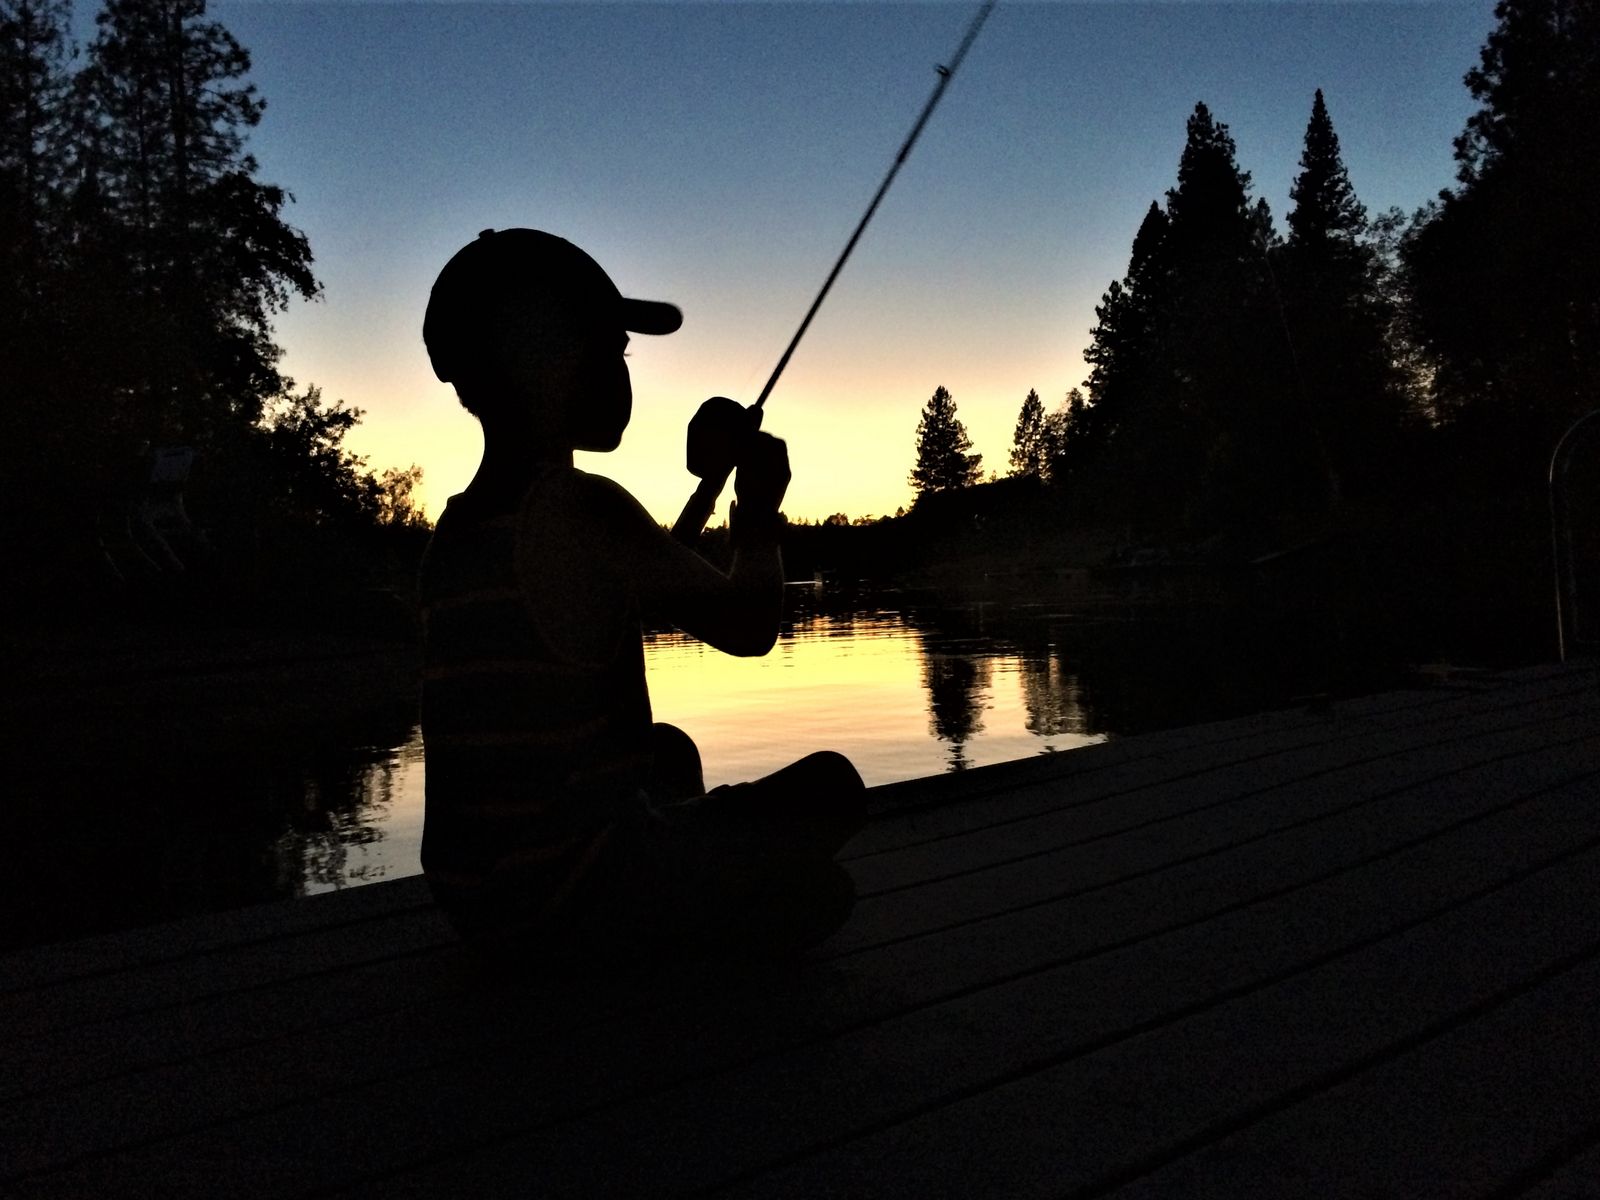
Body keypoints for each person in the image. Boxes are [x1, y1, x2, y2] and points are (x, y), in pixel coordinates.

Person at [417, 228, 866, 968]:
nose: (625, 375)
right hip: (567, 904)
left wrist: (701, 492)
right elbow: (751, 626)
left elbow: (602, 601)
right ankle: (634, 953)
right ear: (547, 358)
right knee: (832, 795)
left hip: (478, 902)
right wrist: (754, 507)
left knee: (667, 752)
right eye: (613, 352)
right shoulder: (583, 507)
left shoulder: (458, 529)